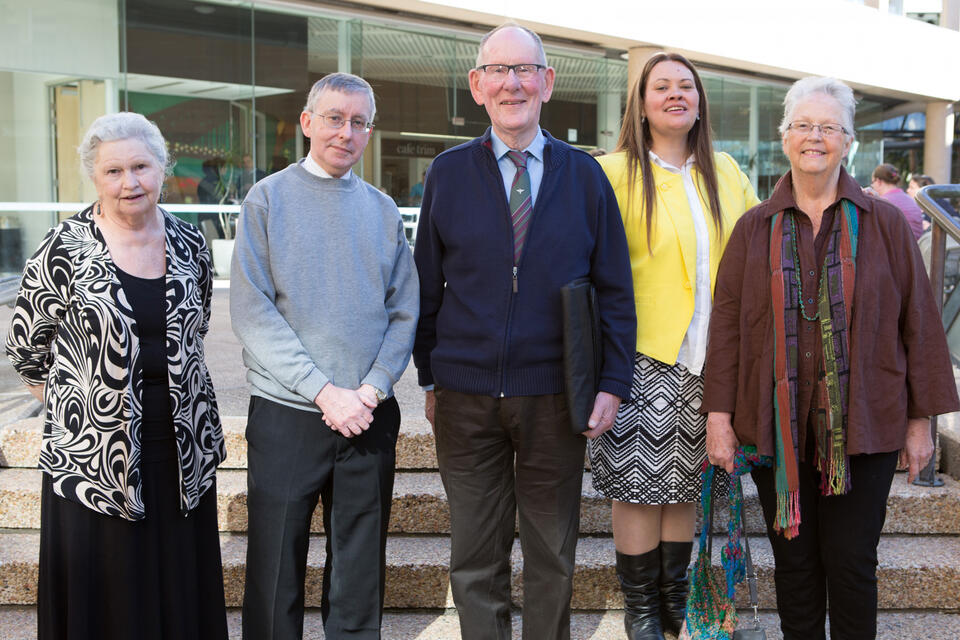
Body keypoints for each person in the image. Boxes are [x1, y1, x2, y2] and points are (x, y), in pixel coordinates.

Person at [703, 76, 959, 640]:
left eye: (828, 127)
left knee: (851, 566)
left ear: (848, 142)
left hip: (864, 428)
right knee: (794, 569)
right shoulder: (753, 229)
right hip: (777, 428)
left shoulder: (886, 224)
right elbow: (725, 331)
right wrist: (718, 419)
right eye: (802, 125)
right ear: (785, 137)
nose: (813, 137)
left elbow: (919, 324)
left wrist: (922, 423)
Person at [413, 23, 636, 640]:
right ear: (477, 85)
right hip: (465, 397)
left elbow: (615, 289)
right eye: (499, 71)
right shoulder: (448, 173)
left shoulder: (584, 175)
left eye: (525, 69)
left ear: (547, 81)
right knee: (475, 558)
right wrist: (431, 375)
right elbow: (425, 287)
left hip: (554, 396)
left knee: (551, 556)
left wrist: (611, 382)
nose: (512, 82)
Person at [5, 112, 228, 639]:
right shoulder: (62, 248)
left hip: (180, 449)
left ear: (162, 169)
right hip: (94, 458)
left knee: (178, 587)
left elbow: (193, 329)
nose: (130, 182)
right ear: (94, 177)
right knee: (107, 596)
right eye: (114, 171)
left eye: (141, 167)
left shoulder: (190, 243)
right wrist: (82, 407)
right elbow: (26, 349)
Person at [230, 72, 419, 640]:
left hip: (367, 409)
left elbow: (404, 311)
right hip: (289, 411)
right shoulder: (267, 199)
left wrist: (372, 388)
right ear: (308, 123)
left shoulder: (383, 210)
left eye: (359, 122)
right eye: (335, 118)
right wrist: (322, 390)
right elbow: (252, 310)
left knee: (360, 568)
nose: (347, 132)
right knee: (275, 564)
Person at [589, 52, 760, 640]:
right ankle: (640, 610)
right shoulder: (611, 172)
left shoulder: (728, 170)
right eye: (660, 86)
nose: (675, 94)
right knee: (639, 490)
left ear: (700, 101)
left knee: (685, 486)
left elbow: (753, 259)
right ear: (641, 103)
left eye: (686, 85)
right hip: (639, 357)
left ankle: (671, 604)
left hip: (712, 361)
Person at [871, 163, 925, 239]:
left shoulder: (883, 202)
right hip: (915, 246)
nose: (872, 186)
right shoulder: (909, 199)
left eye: (872, 182)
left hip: (899, 247)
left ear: (879, 181)